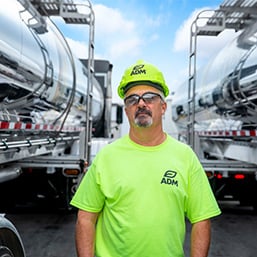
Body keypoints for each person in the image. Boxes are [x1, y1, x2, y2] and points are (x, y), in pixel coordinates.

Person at [70, 60, 221, 257]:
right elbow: (85, 219)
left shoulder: (185, 157)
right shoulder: (107, 157)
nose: (141, 103)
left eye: (149, 97)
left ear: (163, 107)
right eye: (132, 99)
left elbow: (201, 220)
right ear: (126, 111)